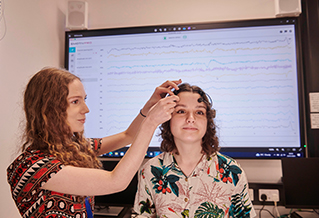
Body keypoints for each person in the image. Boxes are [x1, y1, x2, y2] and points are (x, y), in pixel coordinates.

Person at [7, 67, 181, 218]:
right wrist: (151, 122)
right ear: (49, 108)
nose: (86, 109)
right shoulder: (33, 166)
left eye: (84, 99)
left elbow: (128, 136)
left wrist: (149, 106)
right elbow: (116, 181)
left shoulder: (73, 149)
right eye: (75, 101)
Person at [134, 83, 256, 218]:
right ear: (168, 119)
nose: (190, 119)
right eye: (181, 111)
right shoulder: (150, 170)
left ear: (207, 121)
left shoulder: (233, 171)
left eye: (199, 112)